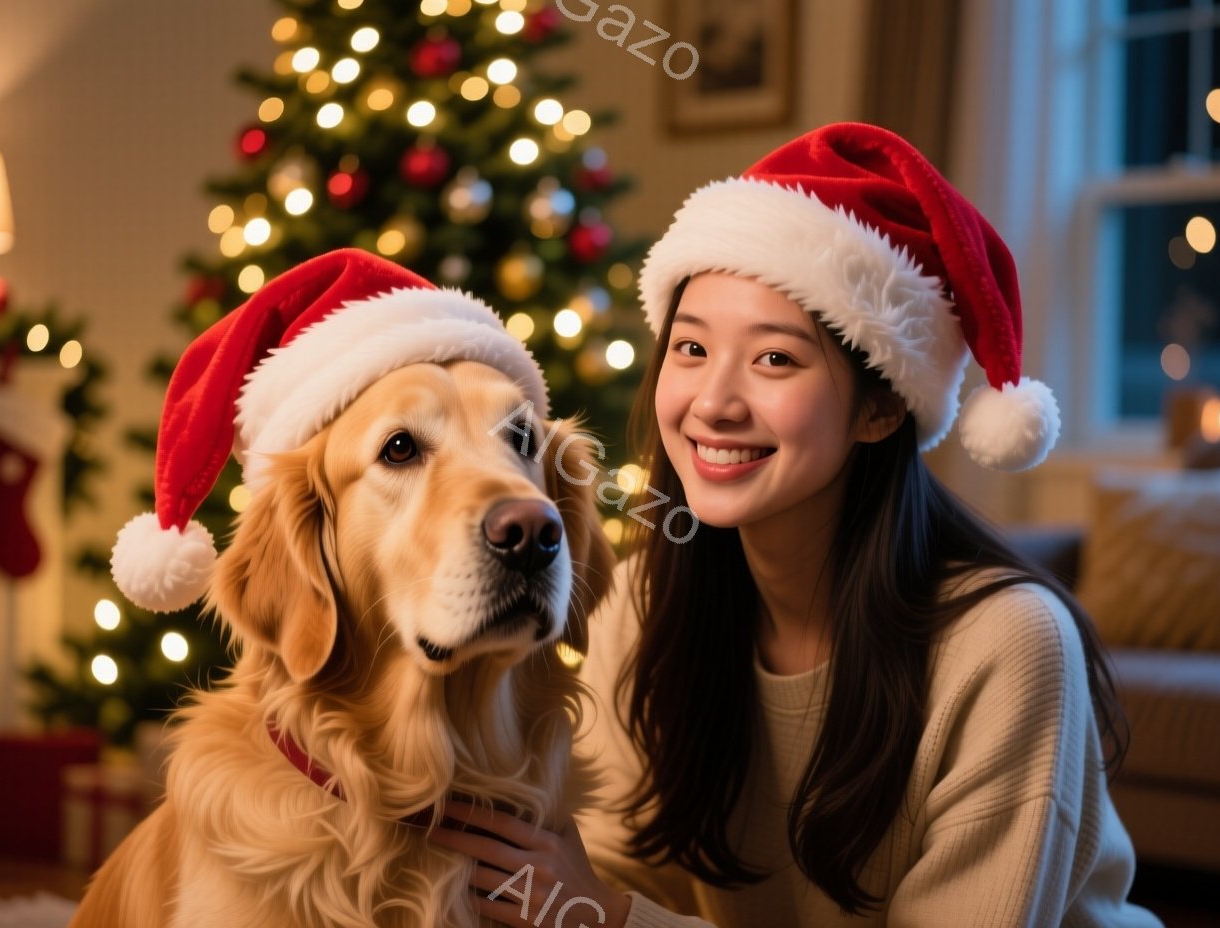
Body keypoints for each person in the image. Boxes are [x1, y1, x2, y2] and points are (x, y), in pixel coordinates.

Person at [430, 123, 1165, 928]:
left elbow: (603, 906)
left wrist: (609, 917)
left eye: (776, 359)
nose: (713, 403)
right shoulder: (644, 601)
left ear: (882, 409)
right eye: (690, 349)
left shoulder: (1007, 643)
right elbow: (605, 870)